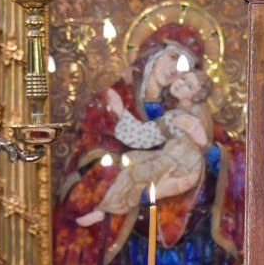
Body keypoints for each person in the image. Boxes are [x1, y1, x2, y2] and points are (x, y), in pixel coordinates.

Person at [53, 22, 245, 265]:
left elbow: (230, 160)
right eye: (172, 57)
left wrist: (207, 148)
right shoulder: (112, 102)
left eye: (185, 67)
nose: (175, 71)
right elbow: (92, 160)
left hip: (190, 242)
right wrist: (147, 194)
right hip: (134, 240)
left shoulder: (187, 110)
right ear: (152, 54)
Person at [76, 70, 214, 228]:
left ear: (194, 96)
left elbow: (144, 137)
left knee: (132, 172)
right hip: (175, 158)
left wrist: (120, 111)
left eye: (189, 86)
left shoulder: (180, 118)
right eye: (183, 78)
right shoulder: (194, 111)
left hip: (178, 166)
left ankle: (105, 210)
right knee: (130, 159)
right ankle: (108, 206)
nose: (180, 84)